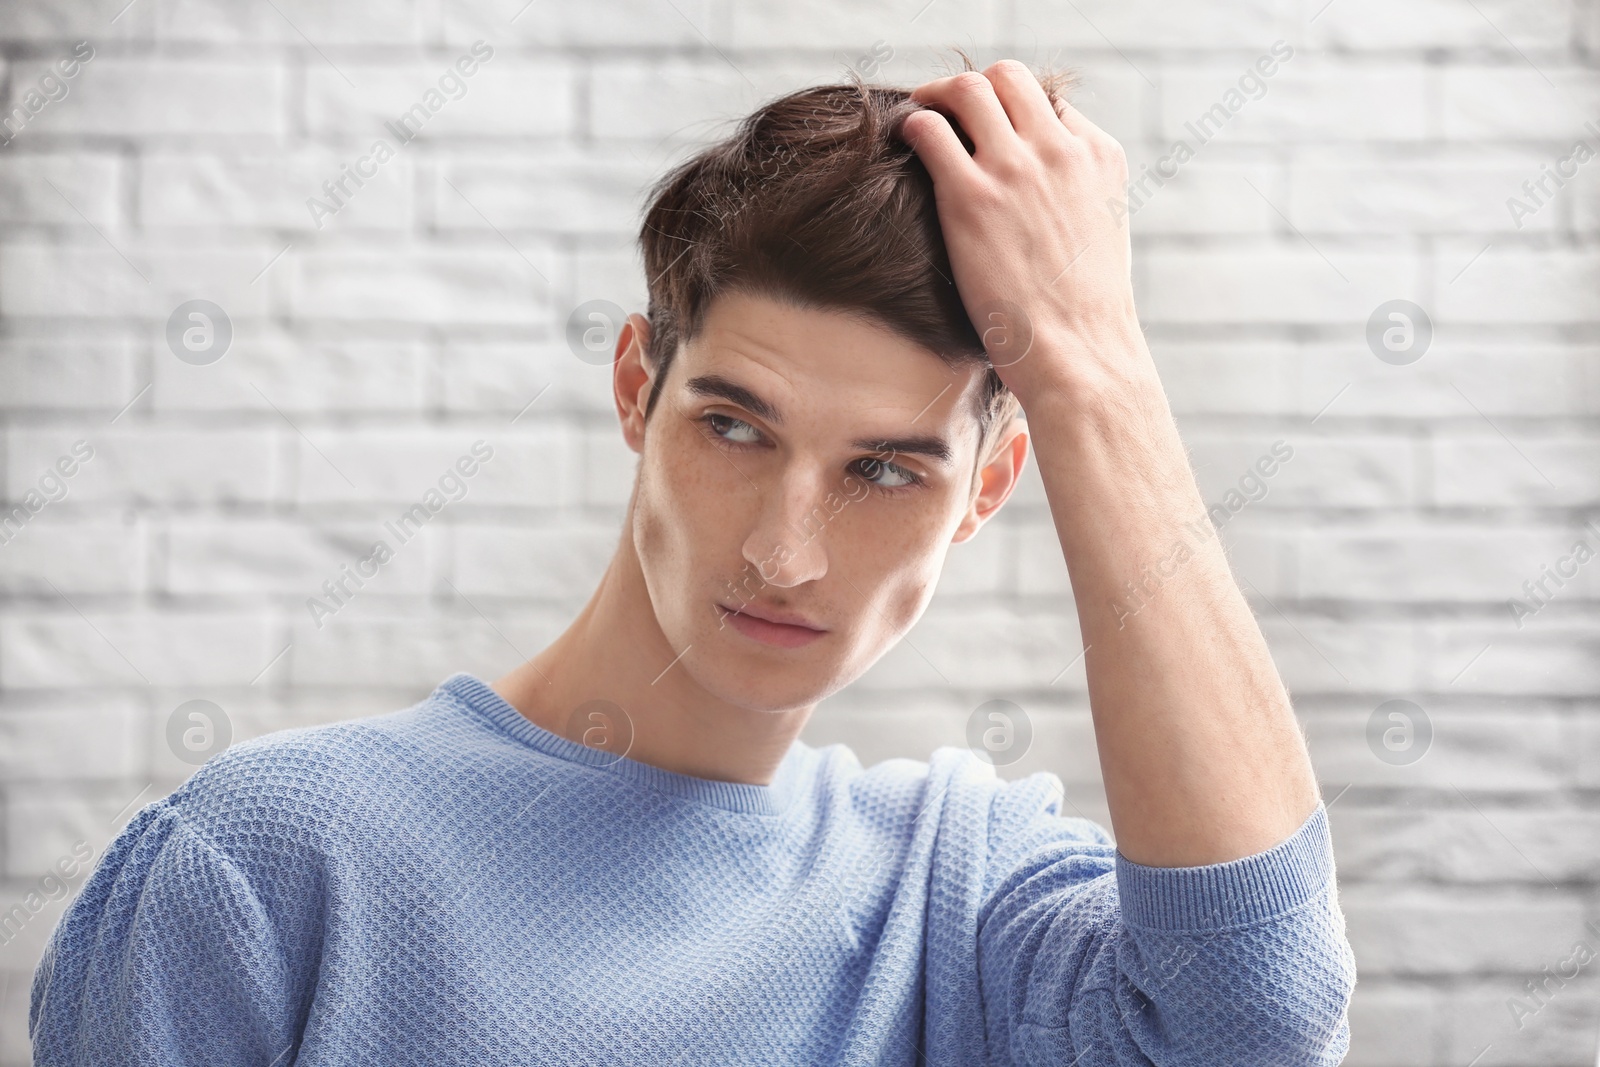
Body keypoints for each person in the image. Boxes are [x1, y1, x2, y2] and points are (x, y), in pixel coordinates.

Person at [30, 55, 1356, 1065]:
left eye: (884, 469)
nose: (785, 554)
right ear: (634, 391)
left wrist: (1092, 369)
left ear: (989, 490)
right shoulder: (267, 864)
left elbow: (1260, 1012)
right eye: (734, 427)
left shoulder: (949, 901)